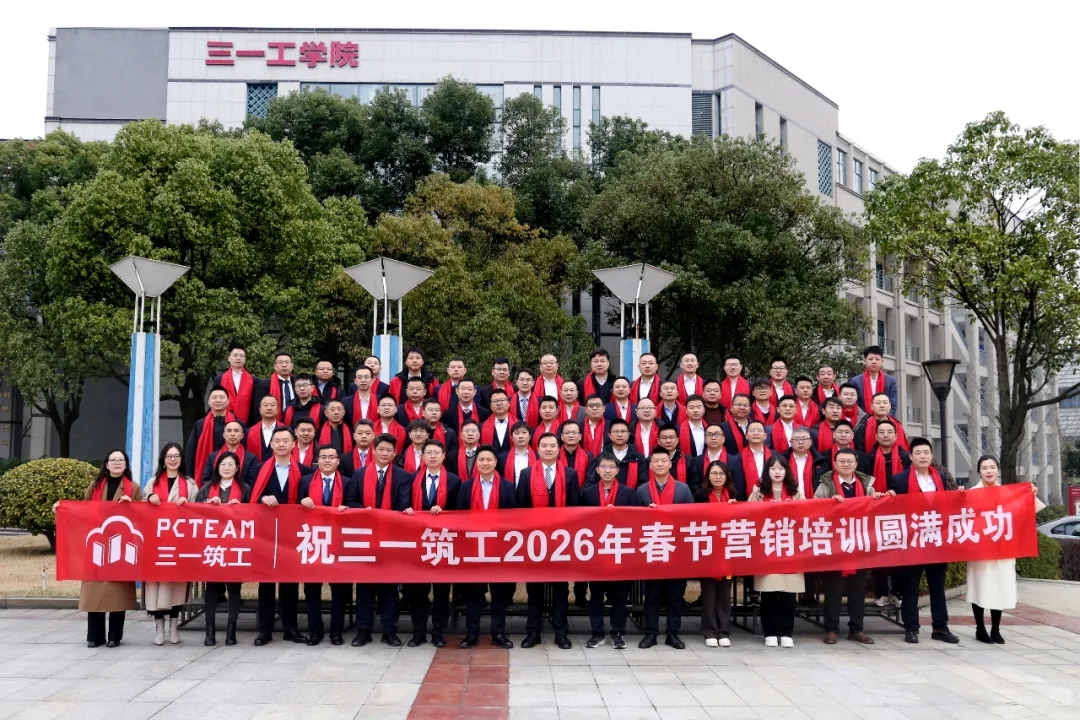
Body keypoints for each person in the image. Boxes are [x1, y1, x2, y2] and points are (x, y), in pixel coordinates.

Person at [58, 449, 142, 648]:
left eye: (121, 460)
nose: (117, 463)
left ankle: (115, 636)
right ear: (106, 464)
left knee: (117, 592)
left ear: (126, 464)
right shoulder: (95, 486)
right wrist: (62, 509)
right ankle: (95, 636)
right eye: (113, 460)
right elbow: (83, 511)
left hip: (121, 545)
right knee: (95, 591)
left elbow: (141, 515)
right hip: (97, 543)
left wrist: (131, 505)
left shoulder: (133, 488)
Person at [887, 436, 961, 644]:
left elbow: (950, 502)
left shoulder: (941, 478)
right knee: (911, 588)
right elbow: (892, 508)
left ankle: (940, 627)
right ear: (911, 457)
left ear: (931, 456)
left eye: (926, 452)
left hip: (936, 540)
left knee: (937, 587)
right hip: (912, 541)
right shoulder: (900, 480)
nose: (922, 456)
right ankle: (911, 628)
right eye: (918, 453)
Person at [345, 434, 411, 647]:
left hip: (390, 539)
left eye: (388, 450)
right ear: (373, 451)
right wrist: (366, 512)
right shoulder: (359, 474)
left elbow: (403, 505)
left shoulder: (402, 476)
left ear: (394, 453)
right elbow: (350, 502)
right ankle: (363, 631)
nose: (384, 453)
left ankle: (389, 631)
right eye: (381, 449)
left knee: (389, 589)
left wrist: (382, 516)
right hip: (365, 539)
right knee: (364, 588)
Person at [518, 434, 580, 649]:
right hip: (535, 541)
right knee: (534, 589)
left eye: (552, 445)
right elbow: (521, 507)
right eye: (544, 445)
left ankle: (561, 633)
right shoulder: (526, 474)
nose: (548, 449)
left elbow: (575, 507)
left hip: (560, 542)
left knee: (560, 589)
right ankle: (533, 633)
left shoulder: (570, 474)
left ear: (558, 448)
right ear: (537, 449)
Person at [250, 427, 311, 646]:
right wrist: (262, 498)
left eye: (286, 440)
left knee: (290, 584)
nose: (282, 444)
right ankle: (264, 630)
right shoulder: (259, 469)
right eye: (278, 440)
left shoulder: (304, 471)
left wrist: (306, 501)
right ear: (272, 444)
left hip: (293, 535)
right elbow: (250, 496)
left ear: (294, 443)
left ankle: (290, 628)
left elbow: (309, 498)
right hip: (266, 534)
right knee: (266, 583)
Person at [966, 455, 1037, 644]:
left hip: (1003, 549)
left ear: (998, 470)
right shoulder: (971, 493)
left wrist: (1030, 495)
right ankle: (980, 629)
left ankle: (996, 629)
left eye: (992, 467)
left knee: (999, 587)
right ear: (979, 472)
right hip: (980, 550)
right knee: (979, 588)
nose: (989, 471)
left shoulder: (1008, 493)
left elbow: (1023, 513)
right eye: (984, 468)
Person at [814, 449, 877, 645]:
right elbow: (814, 509)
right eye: (842, 461)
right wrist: (829, 504)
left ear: (856, 464)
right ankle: (831, 630)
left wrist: (880, 498)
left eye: (850, 461)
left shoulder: (866, 485)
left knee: (857, 591)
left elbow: (876, 509)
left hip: (859, 544)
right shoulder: (826, 485)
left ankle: (856, 629)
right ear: (835, 464)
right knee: (833, 590)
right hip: (835, 545)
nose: (846, 464)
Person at [456, 446, 516, 649]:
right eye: (481, 459)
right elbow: (459, 518)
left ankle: (498, 633)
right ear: (476, 463)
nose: (485, 463)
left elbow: (514, 518)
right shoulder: (466, 487)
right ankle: (471, 634)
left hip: (499, 549)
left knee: (499, 596)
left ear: (495, 462)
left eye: (489, 459)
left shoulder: (508, 487)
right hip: (473, 549)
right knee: (473, 596)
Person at [403, 440, 462, 648]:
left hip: (443, 542)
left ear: (444, 456)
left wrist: (445, 512)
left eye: (437, 452)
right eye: (428, 452)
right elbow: (402, 504)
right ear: (423, 456)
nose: (433, 456)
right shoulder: (412, 479)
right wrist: (407, 510)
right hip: (419, 542)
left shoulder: (454, 480)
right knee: (418, 592)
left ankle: (438, 632)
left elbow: (460, 510)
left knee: (441, 592)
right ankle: (418, 632)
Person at [636, 450, 693, 649]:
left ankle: (673, 634)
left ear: (670, 464)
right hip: (652, 549)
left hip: (676, 550)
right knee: (652, 596)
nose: (660, 464)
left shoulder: (683, 489)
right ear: (650, 466)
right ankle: (650, 633)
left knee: (675, 596)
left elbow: (691, 518)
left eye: (663, 461)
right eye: (656, 461)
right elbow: (633, 521)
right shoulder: (642, 490)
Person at [581, 453, 638, 649]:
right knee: (596, 596)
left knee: (620, 597)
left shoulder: (628, 493)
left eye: (611, 467)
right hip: (596, 552)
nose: (607, 470)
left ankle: (618, 633)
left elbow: (635, 520)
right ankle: (597, 633)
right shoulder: (587, 493)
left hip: (620, 552)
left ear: (617, 470)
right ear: (597, 470)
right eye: (603, 467)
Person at [143, 443, 198, 646]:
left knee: (176, 586)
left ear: (181, 460)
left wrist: (188, 505)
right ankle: (159, 628)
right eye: (169, 456)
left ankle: (174, 627)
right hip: (156, 543)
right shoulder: (153, 482)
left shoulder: (190, 484)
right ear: (163, 459)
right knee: (155, 587)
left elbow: (199, 511)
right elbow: (141, 508)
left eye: (176, 456)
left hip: (179, 543)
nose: (173, 460)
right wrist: (149, 498)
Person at [748, 455, 805, 648]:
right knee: (769, 593)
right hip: (767, 547)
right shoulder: (758, 491)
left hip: (791, 548)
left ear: (786, 471)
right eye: (773, 468)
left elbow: (806, 514)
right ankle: (770, 632)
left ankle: (786, 632)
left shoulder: (795, 491)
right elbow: (748, 514)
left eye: (781, 468)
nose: (777, 472)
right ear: (767, 471)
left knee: (789, 594)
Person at [299, 445, 351, 645]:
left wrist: (348, 508)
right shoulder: (305, 481)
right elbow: (293, 508)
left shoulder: (347, 482)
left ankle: (336, 631)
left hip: (338, 542)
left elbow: (355, 504)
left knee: (339, 590)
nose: (327, 461)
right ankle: (315, 631)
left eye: (331, 457)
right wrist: (302, 501)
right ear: (317, 460)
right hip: (313, 542)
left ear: (338, 461)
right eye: (323, 457)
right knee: (312, 589)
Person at [195, 450, 248, 645]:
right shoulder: (207, 488)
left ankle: (231, 630)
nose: (227, 468)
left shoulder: (245, 489)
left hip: (235, 546)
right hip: (212, 546)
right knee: (212, 587)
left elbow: (254, 515)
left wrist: (241, 507)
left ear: (237, 468)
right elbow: (195, 512)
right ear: (217, 467)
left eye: (231, 464)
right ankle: (210, 630)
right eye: (223, 464)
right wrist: (207, 504)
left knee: (234, 588)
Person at [866, 418, 910, 608]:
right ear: (876, 436)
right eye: (882, 432)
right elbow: (864, 482)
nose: (886, 435)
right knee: (878, 554)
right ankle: (882, 592)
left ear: (896, 435)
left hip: (900, 512)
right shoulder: (867, 458)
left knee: (899, 553)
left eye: (889, 432)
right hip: (875, 511)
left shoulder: (906, 457)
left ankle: (898, 592)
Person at [695, 460, 739, 647]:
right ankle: (710, 631)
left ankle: (724, 631)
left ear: (727, 476)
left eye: (721, 473)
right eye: (714, 473)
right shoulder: (700, 496)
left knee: (725, 592)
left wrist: (736, 507)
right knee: (709, 592)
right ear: (708, 476)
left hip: (728, 548)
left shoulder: (735, 494)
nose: (718, 477)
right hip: (708, 548)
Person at [186, 386, 234, 484]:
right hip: (207, 473)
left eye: (221, 397)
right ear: (208, 402)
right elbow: (191, 453)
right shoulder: (200, 425)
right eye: (214, 397)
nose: (218, 400)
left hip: (231, 471)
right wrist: (189, 476)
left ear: (228, 401)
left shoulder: (237, 424)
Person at [201, 419, 256, 487]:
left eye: (236, 431)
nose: (232, 434)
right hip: (215, 493)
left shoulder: (251, 458)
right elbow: (206, 480)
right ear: (224, 435)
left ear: (242, 436)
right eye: (229, 431)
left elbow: (252, 483)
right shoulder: (212, 457)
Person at [214, 342, 255, 425]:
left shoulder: (254, 380)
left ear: (245, 360)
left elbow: (255, 406)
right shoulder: (219, 379)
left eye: (241, 356)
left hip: (247, 424)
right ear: (229, 358)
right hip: (224, 423)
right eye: (235, 355)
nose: (238, 358)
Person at [855, 345, 898, 415]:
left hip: (885, 419)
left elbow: (893, 406)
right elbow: (855, 405)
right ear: (865, 361)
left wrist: (883, 419)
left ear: (882, 361)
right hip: (863, 420)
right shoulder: (855, 381)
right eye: (870, 359)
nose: (874, 362)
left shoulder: (891, 381)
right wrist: (866, 420)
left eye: (877, 359)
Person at [253, 351, 295, 422]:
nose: (284, 365)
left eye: (287, 362)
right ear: (275, 366)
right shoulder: (264, 385)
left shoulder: (298, 383)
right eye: (280, 362)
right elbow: (257, 409)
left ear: (292, 366)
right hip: (272, 423)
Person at [786, 426, 825, 499]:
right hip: (789, 501)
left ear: (810, 442)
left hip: (815, 501)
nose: (801, 442)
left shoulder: (821, 461)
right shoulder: (783, 460)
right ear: (791, 442)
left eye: (804, 439)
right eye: (797, 439)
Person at [606, 419, 644, 488]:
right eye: (616, 431)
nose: (619, 435)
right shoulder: (603, 457)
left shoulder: (638, 458)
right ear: (609, 435)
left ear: (628, 434)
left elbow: (643, 482)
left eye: (623, 431)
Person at [558, 421, 595, 488]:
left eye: (574, 433)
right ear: (562, 437)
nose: (571, 435)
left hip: (582, 493)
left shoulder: (588, 456)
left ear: (580, 436)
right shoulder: (556, 455)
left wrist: (578, 493)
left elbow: (590, 480)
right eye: (567, 433)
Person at [244, 395, 281, 461]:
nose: (269, 408)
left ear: (278, 410)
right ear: (260, 409)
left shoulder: (286, 431)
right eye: (265, 405)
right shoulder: (248, 432)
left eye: (272, 405)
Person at [480, 388, 513, 453]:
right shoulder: (481, 427)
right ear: (491, 406)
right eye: (495, 401)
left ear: (508, 404)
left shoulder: (518, 425)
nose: (499, 403)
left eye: (502, 400)